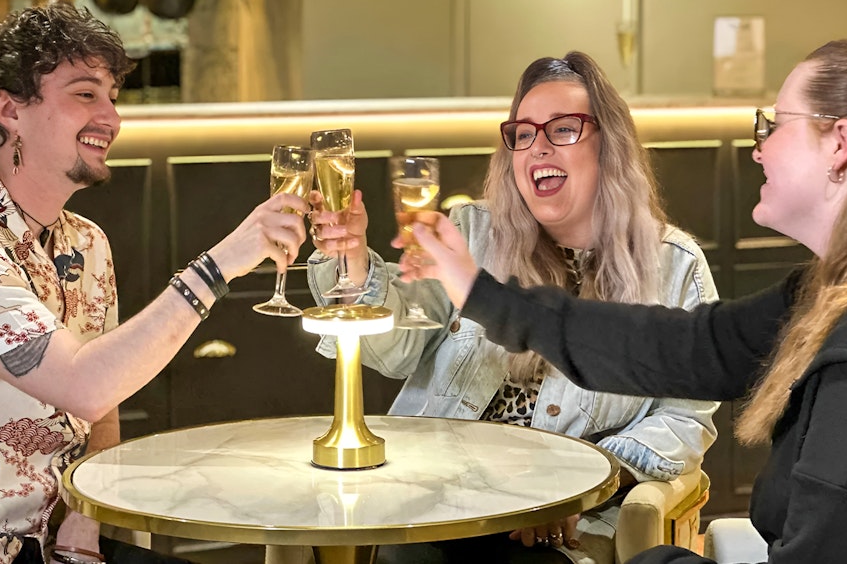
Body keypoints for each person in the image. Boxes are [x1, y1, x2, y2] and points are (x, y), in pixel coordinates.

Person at [404, 34, 847, 563]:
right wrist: (481, 294)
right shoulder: (841, 291)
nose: (759, 149)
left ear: (840, 144)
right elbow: (678, 347)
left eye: (775, 125)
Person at [307, 51, 719, 563]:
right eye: (523, 133)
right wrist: (352, 261)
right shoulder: (472, 231)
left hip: (554, 531)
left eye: (562, 129)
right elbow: (395, 350)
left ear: (609, 146)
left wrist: (581, 482)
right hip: (436, 500)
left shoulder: (674, 266)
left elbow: (684, 420)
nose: (537, 146)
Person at [0, 2, 307, 564]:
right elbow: (82, 385)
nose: (110, 117)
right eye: (86, 94)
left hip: (64, 542)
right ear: (10, 109)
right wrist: (218, 267)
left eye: (113, 97)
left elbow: (102, 406)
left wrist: (86, 519)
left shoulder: (86, 243)